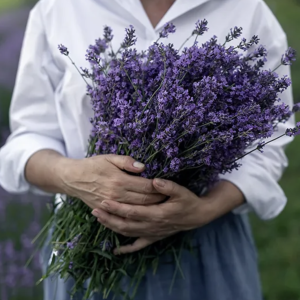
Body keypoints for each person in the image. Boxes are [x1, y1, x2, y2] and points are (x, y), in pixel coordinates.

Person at [0, 0, 295, 299]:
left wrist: (203, 209)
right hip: (87, 245)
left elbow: (269, 142)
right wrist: (74, 176)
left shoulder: (247, 9)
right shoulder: (60, 8)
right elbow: (29, 137)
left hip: (203, 244)